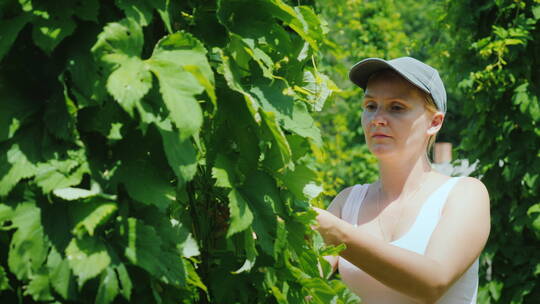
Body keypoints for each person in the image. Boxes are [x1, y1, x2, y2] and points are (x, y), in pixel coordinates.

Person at [312, 57, 491, 303]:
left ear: (434, 122)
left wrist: (336, 232)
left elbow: (432, 283)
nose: (377, 119)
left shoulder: (464, 194)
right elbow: (306, 278)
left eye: (396, 107)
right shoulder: (348, 202)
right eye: (370, 105)